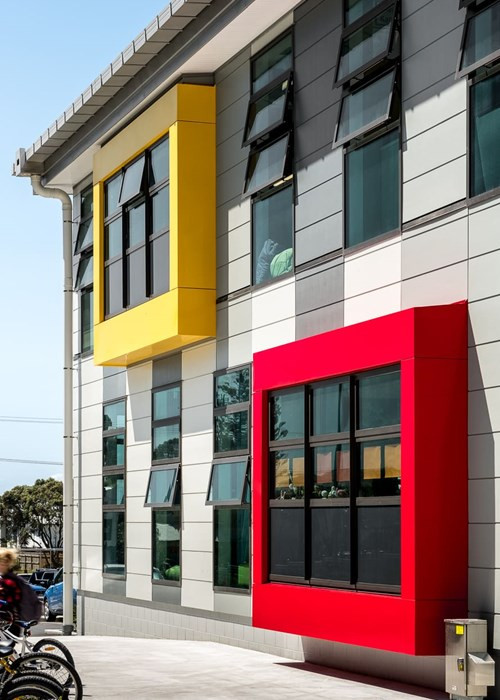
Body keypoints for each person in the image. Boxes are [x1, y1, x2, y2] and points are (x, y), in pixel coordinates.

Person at [0, 548, 22, 632]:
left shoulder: (10, 580)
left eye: (3, 563)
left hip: (8, 617)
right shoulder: (4, 578)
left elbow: (14, 598)